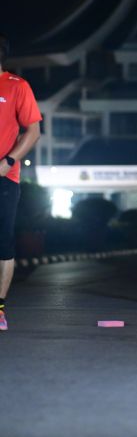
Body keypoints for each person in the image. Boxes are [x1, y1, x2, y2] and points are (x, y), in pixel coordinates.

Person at [0, 33, 42, 331]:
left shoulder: (17, 86)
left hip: (4, 178)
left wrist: (9, 161)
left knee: (3, 242)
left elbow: (33, 131)